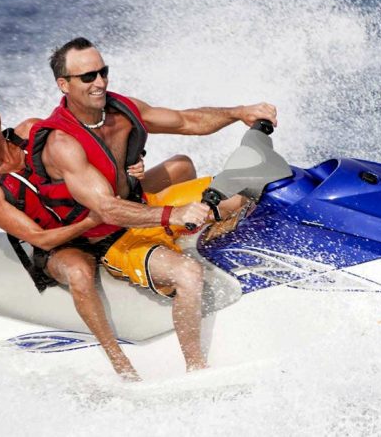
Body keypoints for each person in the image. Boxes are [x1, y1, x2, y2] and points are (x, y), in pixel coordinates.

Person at [27, 37, 277, 374]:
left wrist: (237, 113)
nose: (100, 82)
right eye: (88, 77)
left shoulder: (121, 111)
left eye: (103, 72)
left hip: (144, 206)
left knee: (245, 192)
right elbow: (107, 209)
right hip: (112, 236)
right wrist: (174, 214)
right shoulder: (62, 142)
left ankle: (248, 272)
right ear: (64, 84)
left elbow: (185, 121)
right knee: (188, 274)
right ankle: (196, 368)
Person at [0, 91, 145, 379]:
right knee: (79, 272)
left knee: (179, 166)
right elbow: (40, 239)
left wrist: (129, 167)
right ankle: (119, 361)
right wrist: (92, 221)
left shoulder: (33, 131)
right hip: (56, 243)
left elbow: (92, 156)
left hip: (88, 209)